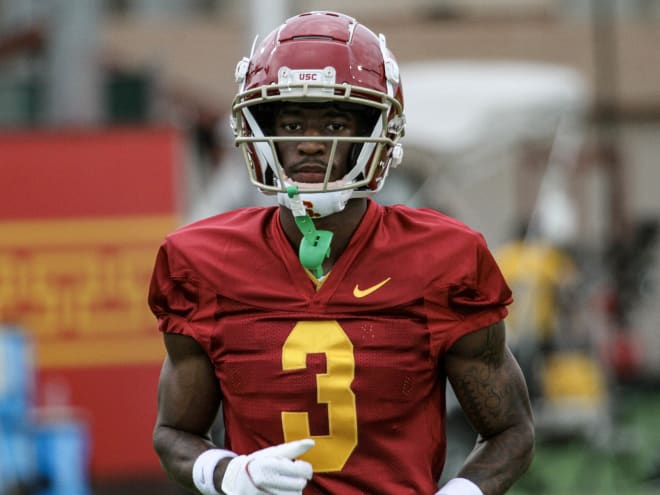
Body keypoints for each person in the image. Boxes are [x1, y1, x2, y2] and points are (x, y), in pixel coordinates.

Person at [148, 10, 534, 495]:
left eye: (334, 122)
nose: (311, 144)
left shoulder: (444, 258)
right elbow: (173, 432)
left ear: (378, 131)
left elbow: (511, 431)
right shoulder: (203, 262)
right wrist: (229, 474)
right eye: (290, 123)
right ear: (262, 133)